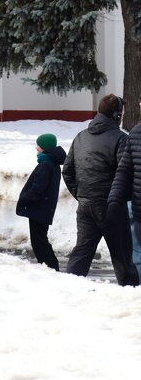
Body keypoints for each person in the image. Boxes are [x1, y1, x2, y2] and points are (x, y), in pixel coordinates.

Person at [63, 95, 138, 285]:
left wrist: (81, 195)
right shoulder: (121, 138)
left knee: (81, 254)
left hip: (86, 205)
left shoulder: (81, 137)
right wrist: (120, 198)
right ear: (116, 114)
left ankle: (68, 289)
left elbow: (68, 171)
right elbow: (125, 174)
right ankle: (130, 297)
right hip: (111, 207)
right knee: (122, 258)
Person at [16, 133, 65, 271]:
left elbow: (38, 189)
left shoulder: (46, 165)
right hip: (44, 208)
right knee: (41, 239)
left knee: (39, 242)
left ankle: (49, 268)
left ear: (45, 147)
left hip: (39, 209)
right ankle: (51, 267)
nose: (37, 148)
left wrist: (25, 198)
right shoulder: (52, 163)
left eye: (39, 145)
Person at [109, 102, 141, 276]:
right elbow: (124, 171)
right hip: (139, 213)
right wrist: (114, 199)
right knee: (138, 259)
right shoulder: (136, 133)